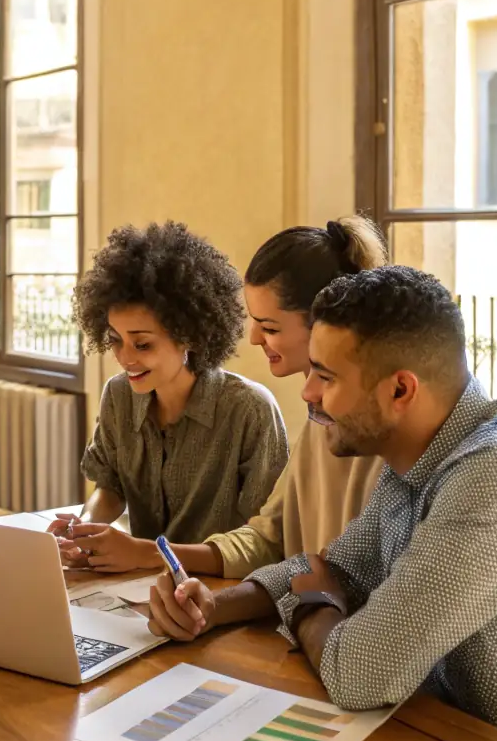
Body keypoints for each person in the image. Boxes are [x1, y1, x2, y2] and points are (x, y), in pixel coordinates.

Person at [148, 265, 497, 741]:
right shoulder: (417, 456)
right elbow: (337, 568)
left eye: (326, 377)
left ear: (400, 391)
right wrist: (213, 609)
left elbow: (360, 672)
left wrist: (314, 603)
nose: (308, 392)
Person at [48, 221, 287, 573]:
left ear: (188, 335)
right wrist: (84, 530)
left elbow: (265, 539)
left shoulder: (249, 409)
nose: (125, 358)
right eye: (115, 339)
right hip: (139, 586)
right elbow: (110, 485)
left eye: (142, 344)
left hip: (220, 588)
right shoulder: (118, 395)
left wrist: (148, 554)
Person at [164, 216, 387, 576]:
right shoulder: (319, 419)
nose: (253, 338)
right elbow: (271, 537)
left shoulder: (378, 437)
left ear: (324, 325)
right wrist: (153, 555)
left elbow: (340, 578)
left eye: (268, 327)